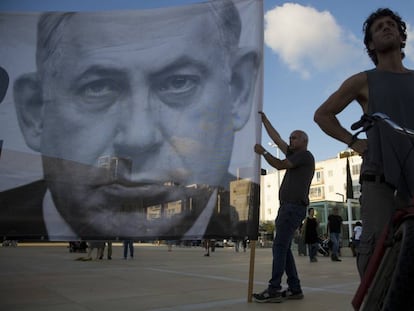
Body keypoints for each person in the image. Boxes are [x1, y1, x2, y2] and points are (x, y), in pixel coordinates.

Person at [0, 0, 261, 241]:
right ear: (34, 112)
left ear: (237, 91)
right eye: (98, 88)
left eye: (178, 82)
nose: (138, 138)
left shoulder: (244, 211)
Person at [314, 8, 414, 277]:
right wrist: (352, 141)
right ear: (371, 44)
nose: (386, 28)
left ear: (402, 37)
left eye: (391, 24)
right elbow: (323, 115)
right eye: (378, 27)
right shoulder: (363, 80)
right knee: (376, 250)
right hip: (380, 176)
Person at [253, 111, 315, 303]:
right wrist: (264, 120)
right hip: (287, 207)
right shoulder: (295, 153)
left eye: (294, 138)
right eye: (291, 138)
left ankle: (274, 289)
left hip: (292, 208)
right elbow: (277, 138)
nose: (290, 140)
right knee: (284, 248)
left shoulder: (304, 155)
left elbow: (280, 165)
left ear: (304, 140)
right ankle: (295, 289)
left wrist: (263, 152)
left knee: (279, 247)